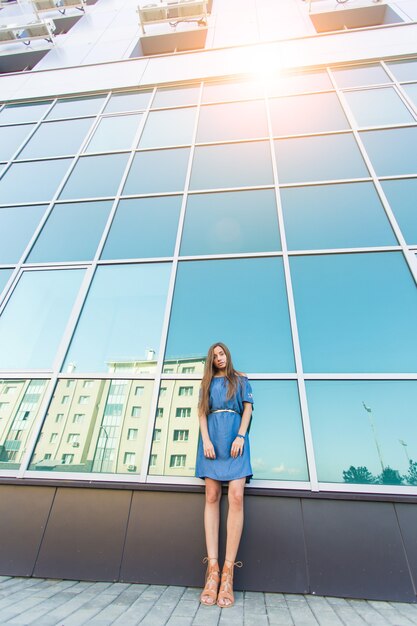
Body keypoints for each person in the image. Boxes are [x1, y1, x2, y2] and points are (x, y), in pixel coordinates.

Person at [195, 342, 254, 608]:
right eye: (214, 355)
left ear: (228, 355)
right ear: (210, 359)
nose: (219, 358)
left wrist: (241, 435)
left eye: (222, 353)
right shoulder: (206, 383)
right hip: (212, 441)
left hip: (235, 439)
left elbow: (248, 409)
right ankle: (213, 571)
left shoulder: (241, 379)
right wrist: (206, 440)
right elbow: (201, 413)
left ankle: (229, 573)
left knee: (237, 497)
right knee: (211, 495)